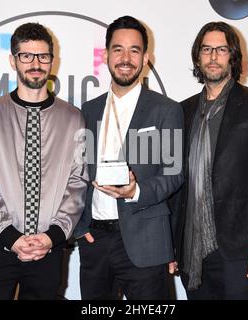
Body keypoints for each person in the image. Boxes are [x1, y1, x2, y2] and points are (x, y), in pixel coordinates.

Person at [0, 22, 88, 300]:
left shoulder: (72, 118)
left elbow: (77, 183)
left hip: (50, 250)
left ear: (52, 62)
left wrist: (51, 236)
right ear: (13, 60)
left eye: (43, 56)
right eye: (26, 56)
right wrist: (11, 237)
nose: (35, 63)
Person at [174, 21, 248, 300]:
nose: (213, 57)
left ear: (233, 56)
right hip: (192, 250)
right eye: (206, 49)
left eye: (221, 49)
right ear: (197, 57)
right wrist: (172, 247)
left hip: (240, 251)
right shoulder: (182, 110)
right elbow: (177, 186)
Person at [73, 15, 184, 300]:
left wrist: (137, 191)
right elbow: (78, 172)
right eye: (118, 49)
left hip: (145, 241)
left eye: (134, 50)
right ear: (106, 55)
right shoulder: (89, 110)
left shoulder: (165, 110)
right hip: (95, 242)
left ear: (146, 57)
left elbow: (174, 174)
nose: (126, 58)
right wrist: (81, 227)